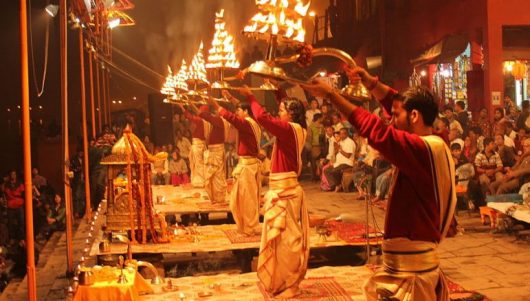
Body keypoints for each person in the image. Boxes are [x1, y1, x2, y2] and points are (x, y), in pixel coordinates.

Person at [302, 66, 456, 301]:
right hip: (408, 263)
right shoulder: (432, 141)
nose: (391, 120)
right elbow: (400, 105)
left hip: (413, 272)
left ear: (414, 116)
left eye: (395, 116)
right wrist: (372, 83)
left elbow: (377, 130)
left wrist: (332, 95)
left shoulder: (422, 149)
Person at [238, 86, 308, 297]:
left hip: (285, 192)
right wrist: (278, 89)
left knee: (286, 242)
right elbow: (282, 107)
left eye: (282, 109)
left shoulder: (289, 130)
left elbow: (262, 116)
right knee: (279, 241)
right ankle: (280, 280)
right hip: (281, 189)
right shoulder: (294, 128)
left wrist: (250, 95)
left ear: (292, 114)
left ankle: (289, 282)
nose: (279, 112)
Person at [208, 92, 262, 235]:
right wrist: (231, 98)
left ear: (245, 112)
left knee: (247, 199)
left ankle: (249, 228)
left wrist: (215, 105)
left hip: (248, 168)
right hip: (246, 166)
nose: (237, 113)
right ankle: (245, 226)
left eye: (239, 110)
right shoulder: (251, 122)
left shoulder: (247, 124)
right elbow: (239, 111)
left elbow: (232, 118)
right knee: (238, 199)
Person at [196, 103, 230, 204]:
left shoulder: (220, 120)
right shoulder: (219, 121)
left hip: (216, 151)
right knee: (213, 176)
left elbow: (208, 117)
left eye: (218, 110)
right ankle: (215, 198)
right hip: (213, 151)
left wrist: (203, 109)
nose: (216, 112)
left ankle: (219, 198)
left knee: (217, 176)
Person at [178, 103, 211, 188]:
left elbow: (189, 117)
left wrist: (182, 107)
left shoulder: (200, 120)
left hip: (198, 145)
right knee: (200, 164)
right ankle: (202, 181)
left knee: (198, 164)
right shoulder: (208, 121)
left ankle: (201, 182)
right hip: (203, 145)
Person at [324, 128, 355, 192]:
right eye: (340, 134)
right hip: (339, 163)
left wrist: (340, 149)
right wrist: (336, 148)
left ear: (345, 134)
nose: (340, 135)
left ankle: (338, 185)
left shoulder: (350, 142)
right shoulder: (341, 141)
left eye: (341, 134)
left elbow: (348, 155)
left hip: (347, 163)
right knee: (326, 170)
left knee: (334, 171)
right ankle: (334, 185)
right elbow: (336, 153)